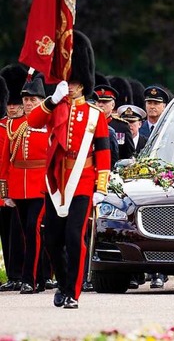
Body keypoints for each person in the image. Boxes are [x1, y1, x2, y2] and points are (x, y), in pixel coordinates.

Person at [27, 31, 111, 309]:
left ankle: (73, 293)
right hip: (56, 182)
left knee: (75, 237)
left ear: (84, 83)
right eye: (68, 82)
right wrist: (52, 100)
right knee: (51, 237)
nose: (71, 86)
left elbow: (103, 153)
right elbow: (33, 121)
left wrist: (101, 188)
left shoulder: (95, 115)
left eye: (75, 82)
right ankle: (63, 283)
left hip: (83, 181)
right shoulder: (56, 108)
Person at [0, 74, 50, 293]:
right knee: (24, 231)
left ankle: (31, 278)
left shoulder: (50, 124)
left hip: (41, 185)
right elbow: (5, 160)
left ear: (42, 101)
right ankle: (34, 277)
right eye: (26, 100)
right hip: (19, 186)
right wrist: (5, 192)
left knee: (33, 229)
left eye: (33, 100)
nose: (29, 104)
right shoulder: (15, 125)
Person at [0, 64, 27, 292]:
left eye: (16, 104)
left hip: (23, 187)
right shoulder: (2, 126)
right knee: (6, 234)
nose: (12, 107)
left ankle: (27, 274)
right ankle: (12, 274)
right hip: (3, 189)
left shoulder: (31, 125)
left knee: (23, 232)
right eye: (9, 103)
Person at [94, 84, 135, 161]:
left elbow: (129, 154)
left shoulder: (122, 126)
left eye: (105, 102)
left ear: (113, 105)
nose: (101, 105)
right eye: (98, 102)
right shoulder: (89, 123)